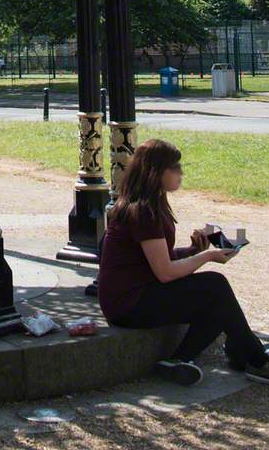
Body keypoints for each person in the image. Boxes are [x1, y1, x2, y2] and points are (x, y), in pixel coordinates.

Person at [98, 138, 268, 386]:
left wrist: (191, 251)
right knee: (215, 285)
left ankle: (180, 361)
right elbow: (165, 272)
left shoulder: (149, 205)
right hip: (128, 304)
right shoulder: (143, 211)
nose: (181, 173)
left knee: (215, 300)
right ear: (156, 172)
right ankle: (254, 358)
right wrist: (207, 255)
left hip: (136, 295)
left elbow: (156, 260)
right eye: (175, 167)